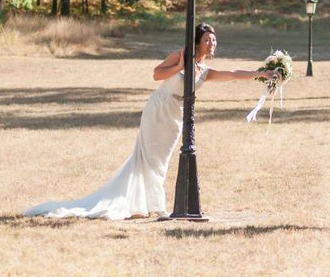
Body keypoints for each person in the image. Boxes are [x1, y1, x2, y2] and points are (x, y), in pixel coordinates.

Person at [25, 23, 277, 220]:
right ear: (197, 42)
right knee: (150, 158)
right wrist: (179, 64)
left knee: (162, 159)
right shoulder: (179, 56)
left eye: (214, 40)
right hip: (158, 109)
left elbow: (233, 75)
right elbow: (156, 74)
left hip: (177, 114)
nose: (212, 43)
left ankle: (144, 203)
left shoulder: (205, 70)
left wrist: (262, 73)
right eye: (207, 40)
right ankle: (158, 207)